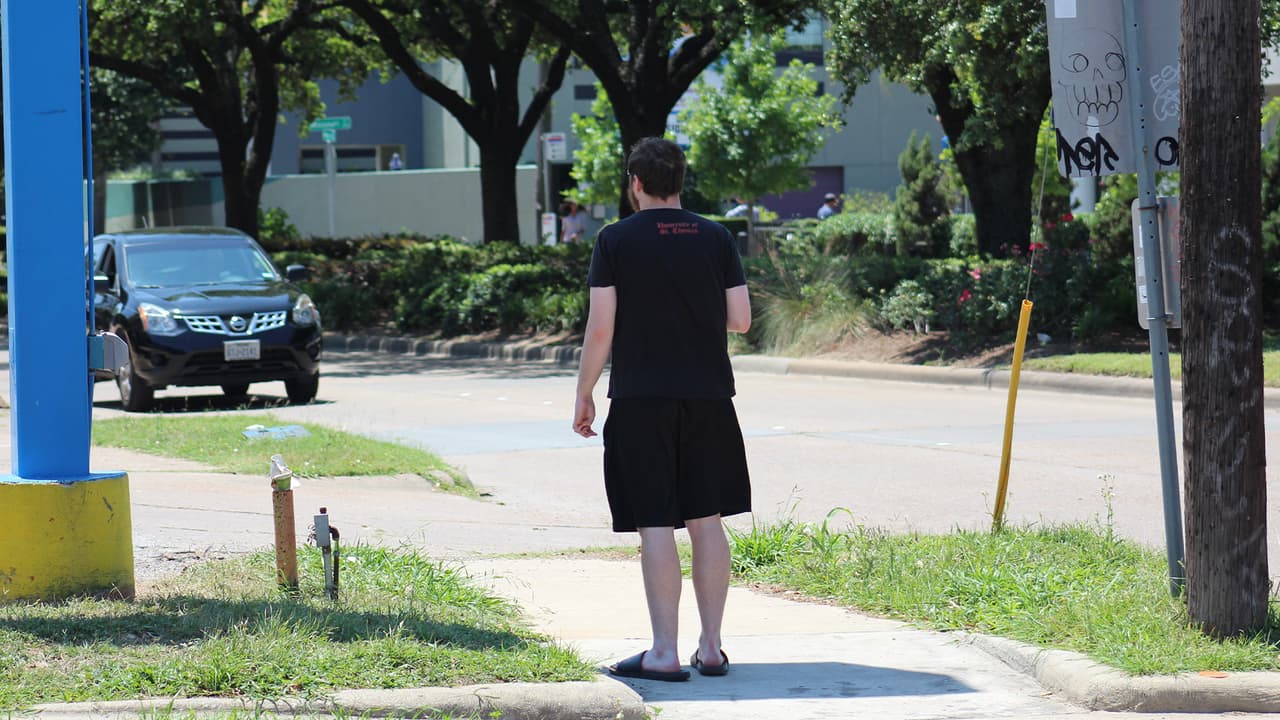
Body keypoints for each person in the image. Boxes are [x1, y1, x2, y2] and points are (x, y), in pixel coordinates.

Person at [573, 137, 753, 682]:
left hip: (640, 397)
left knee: (656, 522)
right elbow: (741, 319)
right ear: (680, 180)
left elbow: (601, 326)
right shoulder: (716, 236)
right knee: (707, 519)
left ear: (635, 182)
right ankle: (713, 648)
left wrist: (584, 391)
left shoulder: (615, 240)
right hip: (709, 397)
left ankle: (663, 652)